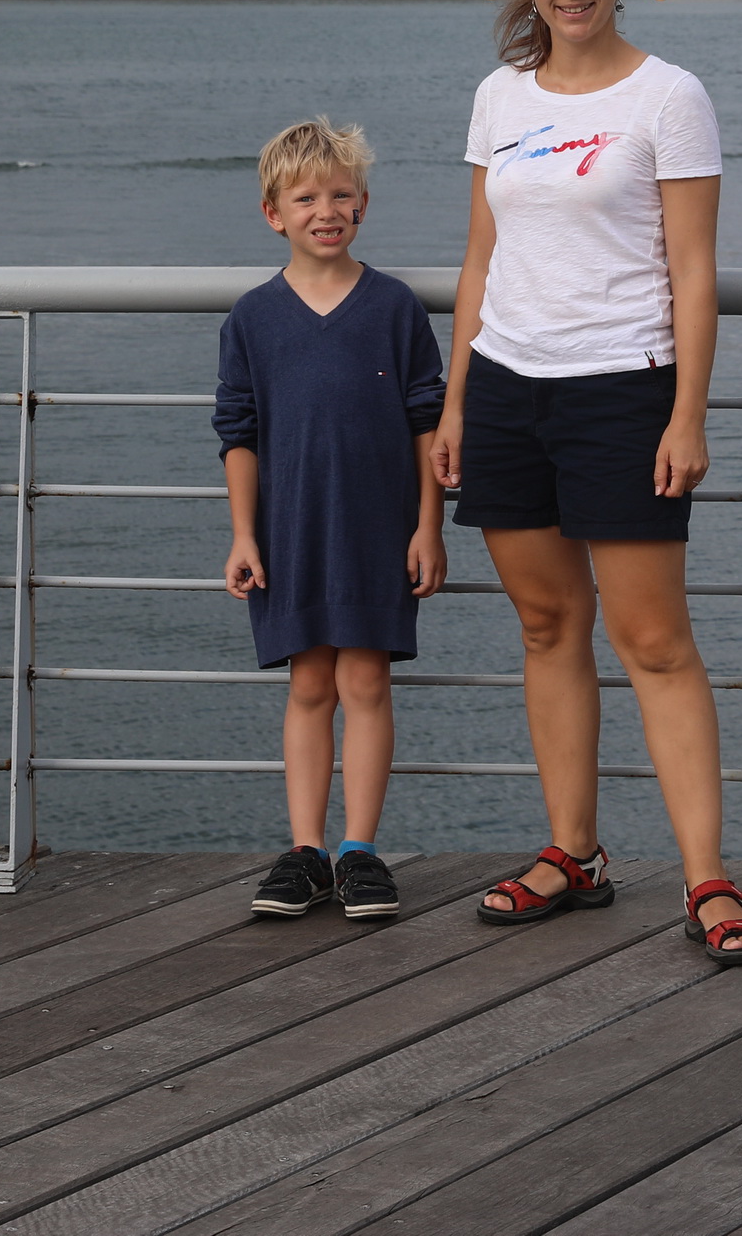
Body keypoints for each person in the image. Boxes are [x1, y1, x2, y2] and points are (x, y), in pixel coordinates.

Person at [434, 0, 742, 965]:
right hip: (505, 387)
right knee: (544, 628)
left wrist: (687, 413)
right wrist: (453, 405)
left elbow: (692, 267)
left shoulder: (669, 96)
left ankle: (709, 878)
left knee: (657, 643)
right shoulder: (500, 95)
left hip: (623, 388)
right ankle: (574, 852)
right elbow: (482, 257)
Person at [216, 116, 448, 919]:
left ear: (364, 205)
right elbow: (237, 431)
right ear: (273, 213)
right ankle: (306, 849)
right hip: (289, 532)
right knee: (308, 683)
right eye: (306, 197)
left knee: (366, 680)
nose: (327, 209)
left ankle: (359, 850)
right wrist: (244, 534)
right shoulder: (252, 317)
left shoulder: (394, 309)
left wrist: (430, 527)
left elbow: (429, 425)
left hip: (378, 528)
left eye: (341, 195)